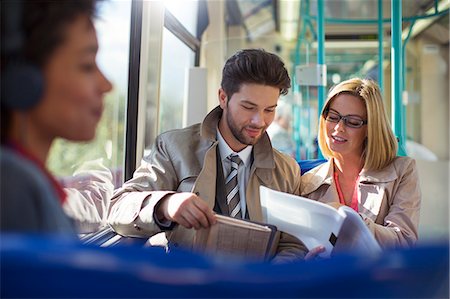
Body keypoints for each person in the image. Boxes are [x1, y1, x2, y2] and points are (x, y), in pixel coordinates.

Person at [108, 49, 316, 263]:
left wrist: (267, 279)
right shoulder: (174, 148)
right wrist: (166, 204)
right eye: (248, 107)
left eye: (269, 110)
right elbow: (117, 207)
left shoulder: (287, 170)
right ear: (223, 98)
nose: (259, 121)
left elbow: (292, 243)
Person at [0, 0, 112, 234]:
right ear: (23, 79)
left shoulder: (29, 182)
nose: (106, 85)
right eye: (87, 66)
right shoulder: (12, 185)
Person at [301, 78, 421, 248]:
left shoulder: (402, 171)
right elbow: (295, 246)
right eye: (333, 117)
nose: (338, 128)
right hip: (326, 274)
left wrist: (351, 220)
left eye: (353, 122)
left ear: (370, 128)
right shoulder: (307, 182)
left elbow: (404, 241)